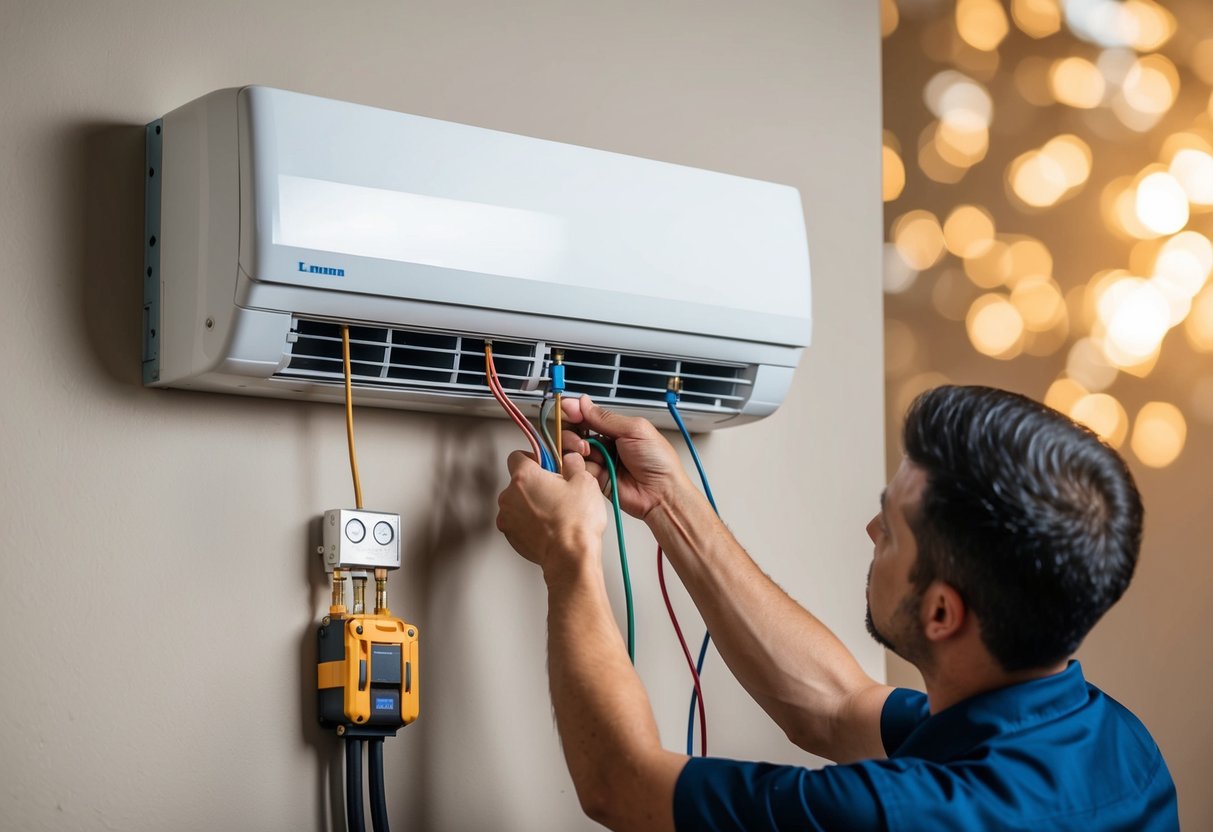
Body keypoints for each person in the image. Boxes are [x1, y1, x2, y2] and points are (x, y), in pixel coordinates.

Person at [495, 385, 1178, 831]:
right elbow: (829, 707)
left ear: (940, 614)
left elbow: (622, 784)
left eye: (891, 526)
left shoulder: (905, 815)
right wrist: (671, 506)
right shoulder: (1114, 743)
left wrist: (570, 551)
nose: (870, 532)